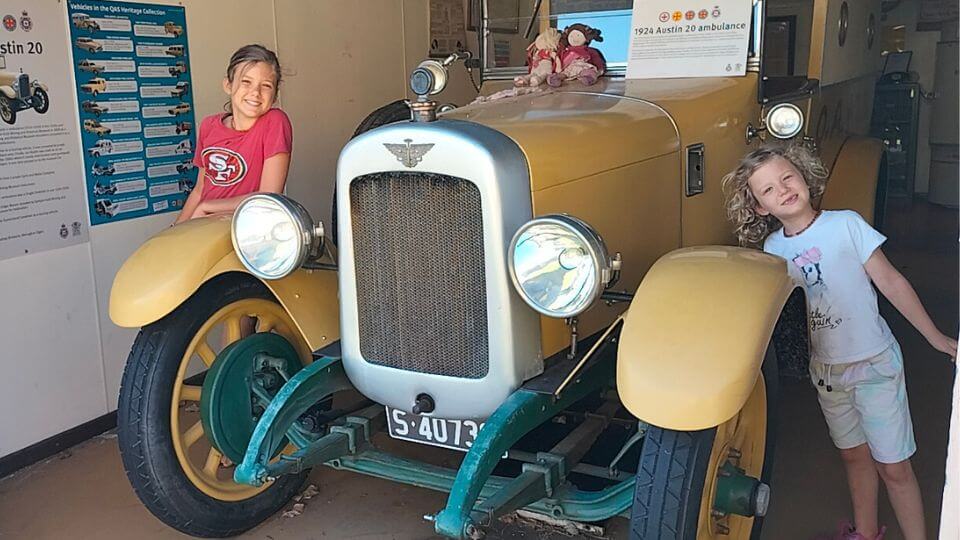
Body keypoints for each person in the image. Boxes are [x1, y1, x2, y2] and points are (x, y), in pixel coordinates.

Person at [721, 144, 957, 540]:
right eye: (768, 190)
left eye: (787, 177)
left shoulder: (847, 225)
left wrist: (934, 337)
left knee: (894, 467)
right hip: (826, 373)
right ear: (760, 209)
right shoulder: (773, 250)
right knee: (853, 457)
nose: (782, 190)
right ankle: (866, 534)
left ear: (803, 174)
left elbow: (892, 282)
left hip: (874, 366)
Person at [174, 44, 292, 224]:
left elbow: (267, 198)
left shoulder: (274, 122)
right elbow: (199, 189)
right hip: (203, 227)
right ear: (228, 85)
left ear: (274, 96)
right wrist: (175, 230)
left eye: (266, 85)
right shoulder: (208, 126)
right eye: (246, 82)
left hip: (245, 229)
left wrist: (207, 207)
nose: (255, 92)